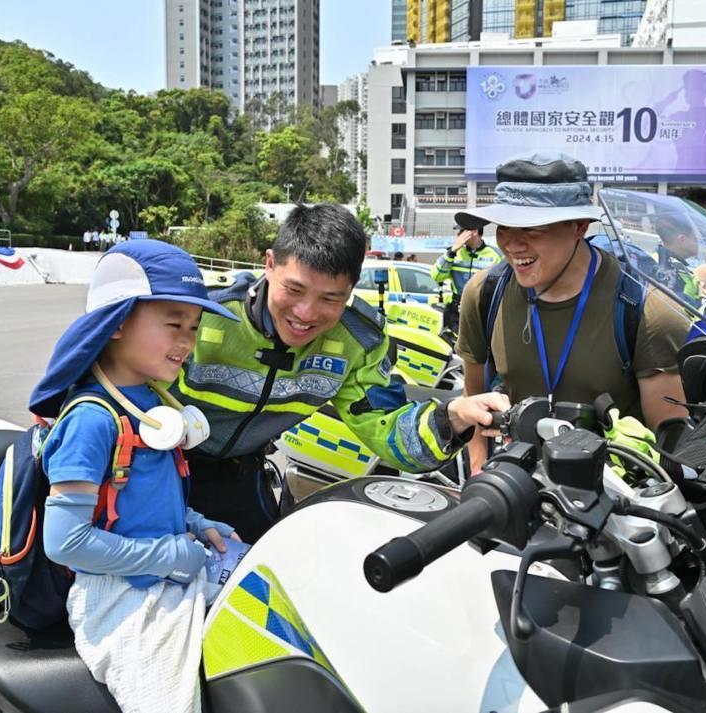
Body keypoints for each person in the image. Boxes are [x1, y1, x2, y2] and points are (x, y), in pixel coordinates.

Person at [170, 204, 509, 540]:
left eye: (330, 299)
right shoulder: (204, 312)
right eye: (295, 289)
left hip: (242, 477)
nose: (306, 313)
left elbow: (388, 429)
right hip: (158, 467)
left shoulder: (358, 343)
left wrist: (453, 417)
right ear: (269, 264)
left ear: (351, 289)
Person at [28, 240, 243, 713]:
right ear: (119, 321)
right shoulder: (92, 419)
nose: (187, 341)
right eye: (173, 324)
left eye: (194, 326)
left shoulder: (154, 403)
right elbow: (65, 542)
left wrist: (193, 522)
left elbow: (136, 500)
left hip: (166, 571)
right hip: (120, 599)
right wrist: (167, 555)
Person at [453, 153, 689, 473]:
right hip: (518, 489)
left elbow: (670, 448)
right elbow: (475, 400)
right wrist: (478, 480)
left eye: (532, 228)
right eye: (505, 225)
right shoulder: (484, 293)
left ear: (579, 226)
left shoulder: (647, 311)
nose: (512, 243)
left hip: (616, 504)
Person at [430, 226, 502, 333]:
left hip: (483, 312)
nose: (457, 236)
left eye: (461, 232)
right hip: (457, 312)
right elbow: (436, 276)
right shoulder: (455, 253)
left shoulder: (495, 255)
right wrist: (451, 252)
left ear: (474, 231)